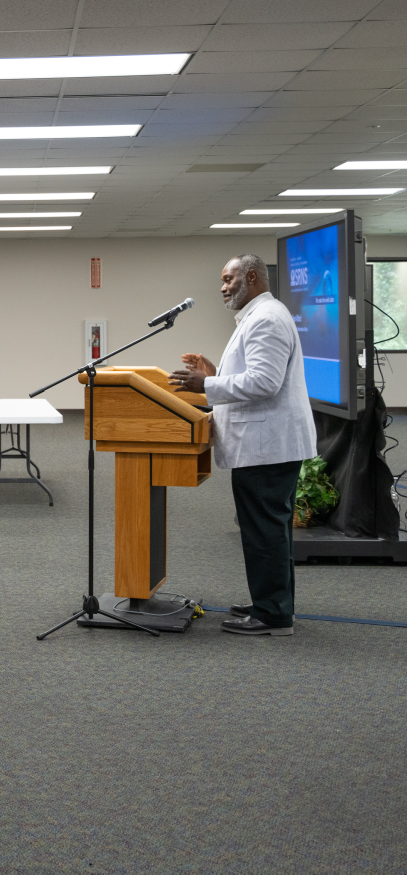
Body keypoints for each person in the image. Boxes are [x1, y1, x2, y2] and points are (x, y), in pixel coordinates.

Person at [170, 253, 317, 637]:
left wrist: (206, 385)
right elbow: (256, 377)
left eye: (228, 279)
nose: (222, 287)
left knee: (264, 530)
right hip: (267, 443)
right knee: (270, 528)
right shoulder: (260, 315)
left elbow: (265, 383)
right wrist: (215, 374)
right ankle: (273, 604)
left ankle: (272, 615)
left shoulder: (267, 318)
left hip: (267, 445)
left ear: (251, 277)